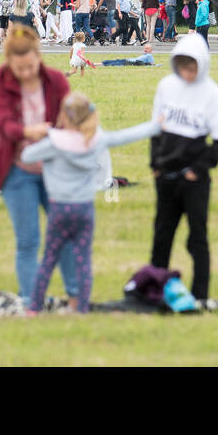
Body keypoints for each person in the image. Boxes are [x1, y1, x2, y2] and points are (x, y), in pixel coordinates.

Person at [21, 92, 160, 313]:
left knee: (48, 260)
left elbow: (28, 156)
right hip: (84, 209)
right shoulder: (96, 139)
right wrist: (155, 126)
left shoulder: (55, 142)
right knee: (83, 261)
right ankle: (82, 308)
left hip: (59, 208)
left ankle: (33, 308)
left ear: (64, 117)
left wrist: (45, 133)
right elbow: (126, 136)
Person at [0, 25, 79, 309]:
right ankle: (31, 303)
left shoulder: (55, 80)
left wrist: (70, 124)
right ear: (9, 63)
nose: (26, 73)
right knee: (28, 240)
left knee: (63, 235)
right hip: (18, 171)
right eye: (19, 69)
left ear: (38, 56)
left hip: (55, 170)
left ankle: (76, 297)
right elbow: (5, 124)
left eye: (30, 66)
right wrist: (30, 131)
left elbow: (71, 114)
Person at [150, 33, 218, 305]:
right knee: (162, 234)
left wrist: (197, 170)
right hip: (166, 177)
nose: (187, 72)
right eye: (182, 65)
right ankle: (155, 289)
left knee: (197, 238)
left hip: (194, 180)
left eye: (192, 66)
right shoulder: (165, 87)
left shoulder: (213, 94)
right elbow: (156, 131)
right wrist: (156, 166)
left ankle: (200, 295)